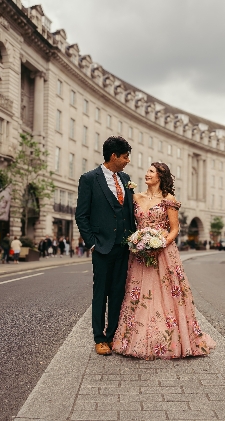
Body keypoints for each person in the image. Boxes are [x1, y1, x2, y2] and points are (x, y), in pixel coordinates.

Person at [111, 162, 216, 359]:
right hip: (140, 253)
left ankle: (168, 340)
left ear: (160, 176)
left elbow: (175, 229)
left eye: (151, 171)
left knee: (166, 294)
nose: (147, 173)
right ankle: (134, 338)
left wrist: (158, 244)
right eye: (147, 170)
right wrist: (139, 243)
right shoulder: (135, 197)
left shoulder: (169, 199)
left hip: (163, 252)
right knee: (139, 294)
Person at [75, 135, 136, 357]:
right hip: (102, 247)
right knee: (100, 293)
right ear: (113, 156)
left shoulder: (126, 178)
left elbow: (129, 212)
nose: (128, 160)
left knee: (118, 293)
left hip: (123, 247)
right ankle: (99, 338)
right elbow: (81, 215)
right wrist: (92, 243)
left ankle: (112, 336)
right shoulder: (89, 179)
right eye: (125, 156)